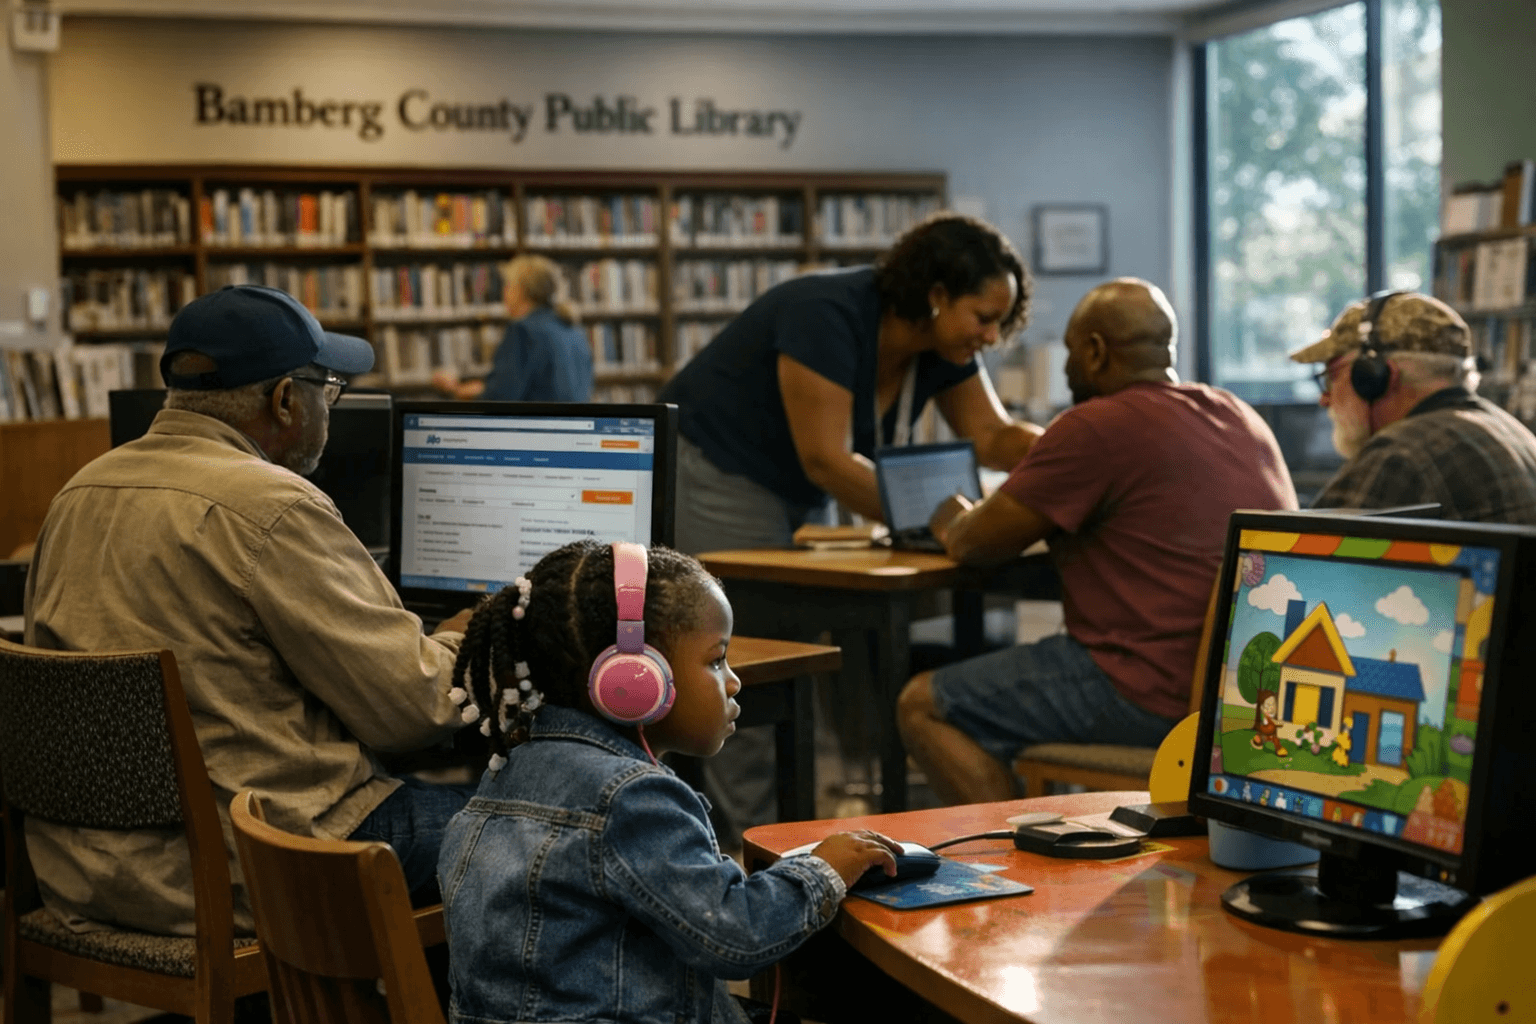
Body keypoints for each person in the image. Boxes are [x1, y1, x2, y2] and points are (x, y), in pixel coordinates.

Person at [24, 284, 477, 936]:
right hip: (255, 868)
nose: (331, 405)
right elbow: (414, 709)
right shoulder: (271, 505)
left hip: (92, 874)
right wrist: (466, 638)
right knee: (555, 825)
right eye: (329, 388)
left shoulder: (78, 491)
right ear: (287, 399)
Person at [438, 539, 902, 1024]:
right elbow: (733, 936)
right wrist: (824, 870)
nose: (733, 681)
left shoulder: (504, 775)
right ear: (636, 680)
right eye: (716, 659)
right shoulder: (632, 799)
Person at [896, 278, 1298, 806]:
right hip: (1246, 696)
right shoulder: (1239, 414)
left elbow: (972, 545)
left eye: (1068, 353)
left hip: (1148, 690)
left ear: (1094, 350)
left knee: (922, 704)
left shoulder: (1095, 426)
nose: (1066, 369)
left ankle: (1007, 868)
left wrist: (950, 516)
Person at [657, 212, 1042, 554]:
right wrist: (950, 520)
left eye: (999, 323)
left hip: (802, 486)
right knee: (755, 614)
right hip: (718, 469)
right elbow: (825, 461)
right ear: (937, 296)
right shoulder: (824, 315)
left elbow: (991, 436)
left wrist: (1060, 448)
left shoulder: (945, 343)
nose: (992, 336)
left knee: (816, 612)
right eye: (984, 318)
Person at [1288, 290, 1536, 523]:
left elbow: (1311, 566)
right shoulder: (1515, 433)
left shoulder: (1398, 457)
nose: (1325, 398)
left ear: (1375, 377)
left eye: (1332, 376)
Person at [433, 254, 593, 402]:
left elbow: (499, 398)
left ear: (521, 290)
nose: (504, 293)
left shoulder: (523, 331)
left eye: (508, 285)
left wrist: (454, 389)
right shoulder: (573, 329)